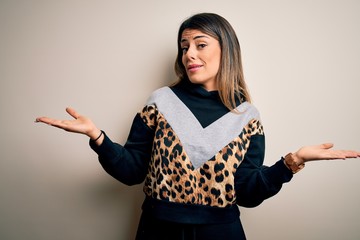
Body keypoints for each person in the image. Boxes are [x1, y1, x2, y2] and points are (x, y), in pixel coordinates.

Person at [35, 13, 359, 240]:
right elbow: (132, 170)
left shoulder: (247, 116)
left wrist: (292, 162)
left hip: (221, 232)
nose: (189, 53)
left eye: (200, 44)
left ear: (225, 49)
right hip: (157, 229)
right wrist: (98, 137)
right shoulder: (160, 101)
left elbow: (246, 192)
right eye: (184, 46)